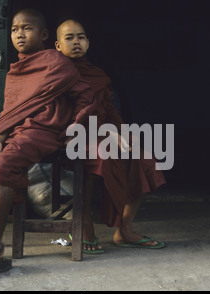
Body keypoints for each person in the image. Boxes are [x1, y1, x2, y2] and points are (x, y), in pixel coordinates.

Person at [0, 9, 94, 282]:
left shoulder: (58, 63)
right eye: (14, 29)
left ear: (44, 35)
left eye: (27, 28)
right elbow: (11, 112)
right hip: (13, 132)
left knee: (3, 165)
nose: (20, 34)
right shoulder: (16, 71)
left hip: (43, 129)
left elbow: (85, 97)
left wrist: (75, 127)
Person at [55, 19, 166, 254]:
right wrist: (103, 130)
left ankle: (124, 230)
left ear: (88, 42)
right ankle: (83, 225)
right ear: (57, 45)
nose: (76, 42)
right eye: (69, 37)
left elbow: (109, 110)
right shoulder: (55, 73)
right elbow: (58, 114)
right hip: (69, 135)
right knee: (100, 157)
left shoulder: (98, 75)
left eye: (81, 37)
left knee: (144, 159)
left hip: (103, 132)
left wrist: (124, 132)